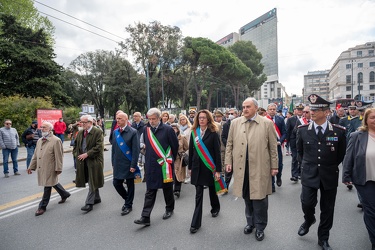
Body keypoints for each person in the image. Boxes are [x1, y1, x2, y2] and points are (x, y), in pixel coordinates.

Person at [296, 94, 346, 250]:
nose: (312, 112)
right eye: (311, 109)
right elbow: (300, 152)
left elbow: (340, 155)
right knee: (307, 202)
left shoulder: (339, 131)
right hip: (309, 172)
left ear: (326, 112)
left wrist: (328, 165)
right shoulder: (303, 130)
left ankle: (323, 237)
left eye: (317, 110)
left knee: (328, 208)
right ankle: (309, 219)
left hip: (329, 173)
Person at [225, 97, 278, 241]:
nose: (245, 110)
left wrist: (274, 166)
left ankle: (260, 226)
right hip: (242, 167)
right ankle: (250, 222)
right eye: (243, 107)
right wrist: (228, 161)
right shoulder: (235, 123)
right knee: (247, 197)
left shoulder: (267, 123)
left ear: (255, 108)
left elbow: (273, 147)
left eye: (248, 107)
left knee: (260, 198)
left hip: (260, 167)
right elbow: (229, 144)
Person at [134, 108, 178, 226]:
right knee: (150, 190)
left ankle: (169, 209)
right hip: (151, 165)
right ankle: (145, 216)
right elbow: (146, 146)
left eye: (154, 119)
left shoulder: (168, 129)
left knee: (167, 189)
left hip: (164, 165)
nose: (151, 121)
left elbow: (175, 146)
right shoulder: (146, 129)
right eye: (149, 119)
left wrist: (169, 160)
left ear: (159, 118)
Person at [342, 108, 375, 249]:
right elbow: (349, 156)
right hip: (365, 180)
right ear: (366, 120)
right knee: (371, 210)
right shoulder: (357, 136)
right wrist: (346, 175)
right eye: (373, 117)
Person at [188, 109, 223, 234]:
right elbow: (191, 151)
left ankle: (215, 207)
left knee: (212, 189)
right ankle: (195, 223)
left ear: (208, 119)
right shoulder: (194, 133)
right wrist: (190, 167)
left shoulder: (213, 133)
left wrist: (218, 170)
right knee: (198, 195)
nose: (201, 119)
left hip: (209, 167)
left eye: (204, 117)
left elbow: (217, 153)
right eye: (199, 117)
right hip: (197, 168)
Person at [27, 122, 71, 216]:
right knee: (52, 182)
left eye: (44, 127)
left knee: (47, 186)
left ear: (50, 129)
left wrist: (58, 168)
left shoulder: (56, 140)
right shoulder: (39, 140)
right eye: (41, 127)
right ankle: (64, 194)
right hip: (42, 167)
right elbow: (35, 155)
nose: (42, 128)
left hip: (51, 167)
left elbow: (59, 156)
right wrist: (31, 166)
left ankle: (42, 207)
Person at [74, 115, 104, 213]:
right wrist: (76, 154)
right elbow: (76, 146)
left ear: (90, 123)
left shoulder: (98, 132)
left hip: (94, 161)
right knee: (91, 179)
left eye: (84, 122)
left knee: (92, 180)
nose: (82, 124)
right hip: (82, 161)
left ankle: (89, 203)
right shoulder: (81, 132)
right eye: (81, 122)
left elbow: (99, 147)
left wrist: (87, 154)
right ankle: (97, 198)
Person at [111, 112, 140, 216]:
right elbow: (113, 149)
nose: (118, 120)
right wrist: (112, 162)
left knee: (130, 184)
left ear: (126, 120)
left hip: (128, 163)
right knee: (116, 183)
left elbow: (136, 150)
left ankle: (128, 205)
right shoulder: (115, 132)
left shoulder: (133, 132)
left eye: (120, 119)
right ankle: (128, 198)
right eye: (117, 118)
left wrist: (133, 165)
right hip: (118, 163)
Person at [266, 103, 287, 192]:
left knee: (279, 164)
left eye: (273, 109)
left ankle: (279, 177)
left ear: (276, 110)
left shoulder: (280, 119)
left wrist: (280, 141)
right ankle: (272, 185)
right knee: (269, 164)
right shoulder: (264, 120)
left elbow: (284, 133)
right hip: (268, 146)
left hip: (278, 145)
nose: (272, 111)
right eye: (270, 109)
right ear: (267, 110)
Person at [286, 104, 305, 183]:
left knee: (302, 158)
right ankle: (294, 175)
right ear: (296, 111)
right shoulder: (291, 120)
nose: (300, 111)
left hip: (304, 142)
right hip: (294, 141)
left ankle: (301, 173)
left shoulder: (306, 119)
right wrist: (287, 142)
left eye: (301, 110)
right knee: (295, 158)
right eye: (298, 109)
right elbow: (288, 131)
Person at [221, 108, 238, 189]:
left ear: (236, 114)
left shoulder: (240, 123)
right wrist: (228, 144)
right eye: (229, 113)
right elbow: (223, 136)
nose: (231, 115)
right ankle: (225, 186)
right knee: (228, 169)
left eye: (232, 113)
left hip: (239, 149)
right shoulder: (226, 125)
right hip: (230, 150)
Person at [171, 123, 188, 198]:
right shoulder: (168, 137)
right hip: (170, 157)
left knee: (178, 173)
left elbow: (186, 147)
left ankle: (177, 190)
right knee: (171, 173)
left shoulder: (182, 137)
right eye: (172, 128)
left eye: (174, 128)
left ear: (178, 129)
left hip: (178, 158)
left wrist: (181, 152)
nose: (173, 130)